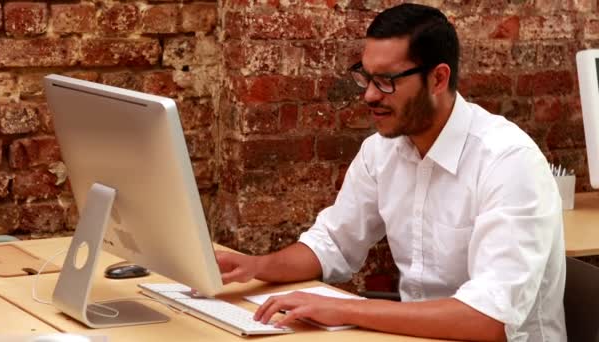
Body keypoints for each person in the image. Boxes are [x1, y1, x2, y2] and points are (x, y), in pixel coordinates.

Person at [216, 3, 566, 341]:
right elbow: (333, 243)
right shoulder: (382, 151)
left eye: (386, 81)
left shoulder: (508, 161)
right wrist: (254, 267)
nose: (369, 95)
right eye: (366, 78)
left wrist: (345, 309)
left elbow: (489, 320)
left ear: (438, 78)